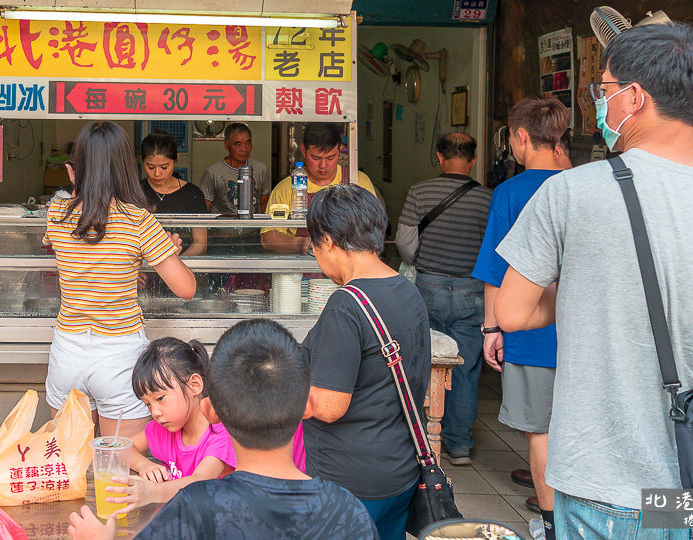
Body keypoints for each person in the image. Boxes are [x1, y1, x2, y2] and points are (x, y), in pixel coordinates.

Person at [494, 22, 693, 536]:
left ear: (634, 98)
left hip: (602, 485)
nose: (600, 102)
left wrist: (593, 291)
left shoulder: (569, 194)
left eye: (605, 89)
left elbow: (512, 313)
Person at [69, 320, 379, 540]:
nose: (155, 412)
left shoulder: (194, 508)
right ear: (308, 405)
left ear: (210, 411)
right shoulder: (350, 513)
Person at [44, 121, 197, 439]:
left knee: (69, 466)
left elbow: (79, 241)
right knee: (120, 469)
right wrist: (166, 250)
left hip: (67, 353)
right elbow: (186, 288)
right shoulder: (138, 220)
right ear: (127, 166)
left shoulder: (56, 213)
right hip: (119, 355)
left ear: (76, 168)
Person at [303, 184, 430, 539]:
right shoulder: (407, 288)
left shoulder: (346, 305)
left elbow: (328, 406)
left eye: (313, 246)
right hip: (400, 472)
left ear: (327, 241)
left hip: (350, 481)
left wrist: (267, 401)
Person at [472, 97, 570, 539]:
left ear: (522, 137)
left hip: (531, 333)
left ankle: (550, 526)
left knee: (542, 435)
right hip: (584, 332)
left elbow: (497, 268)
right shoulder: (583, 184)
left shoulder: (510, 193)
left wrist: (492, 328)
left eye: (511, 136)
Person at [103, 336, 308, 515]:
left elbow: (201, 481)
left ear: (194, 385)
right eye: (147, 404)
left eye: (160, 398)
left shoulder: (221, 429)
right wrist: (144, 465)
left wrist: (151, 492)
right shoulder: (163, 429)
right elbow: (119, 447)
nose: (154, 412)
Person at [394, 132, 492, 466]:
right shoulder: (487, 198)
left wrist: (426, 259)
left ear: (438, 156)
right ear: (474, 160)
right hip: (472, 291)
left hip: (428, 287)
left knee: (424, 362)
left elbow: (405, 243)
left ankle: (421, 438)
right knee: (464, 369)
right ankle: (459, 446)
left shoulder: (419, 192)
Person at [261, 123, 379, 254]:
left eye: (330, 158)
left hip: (349, 270)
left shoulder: (357, 181)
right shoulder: (286, 188)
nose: (323, 165)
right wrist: (301, 243)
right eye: (316, 158)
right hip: (302, 271)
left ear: (340, 150)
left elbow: (374, 230)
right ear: (304, 151)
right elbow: (268, 238)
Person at [139, 130, 207, 256]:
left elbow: (200, 243)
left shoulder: (192, 194)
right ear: (142, 161)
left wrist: (176, 265)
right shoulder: (135, 192)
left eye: (164, 167)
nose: (157, 173)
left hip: (184, 267)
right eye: (151, 167)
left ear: (176, 160)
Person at [198, 122, 270, 215]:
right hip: (222, 228)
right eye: (238, 144)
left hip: (253, 228)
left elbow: (264, 204)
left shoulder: (261, 169)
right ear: (226, 146)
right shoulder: (213, 172)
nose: (244, 149)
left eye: (248, 143)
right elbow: (204, 209)